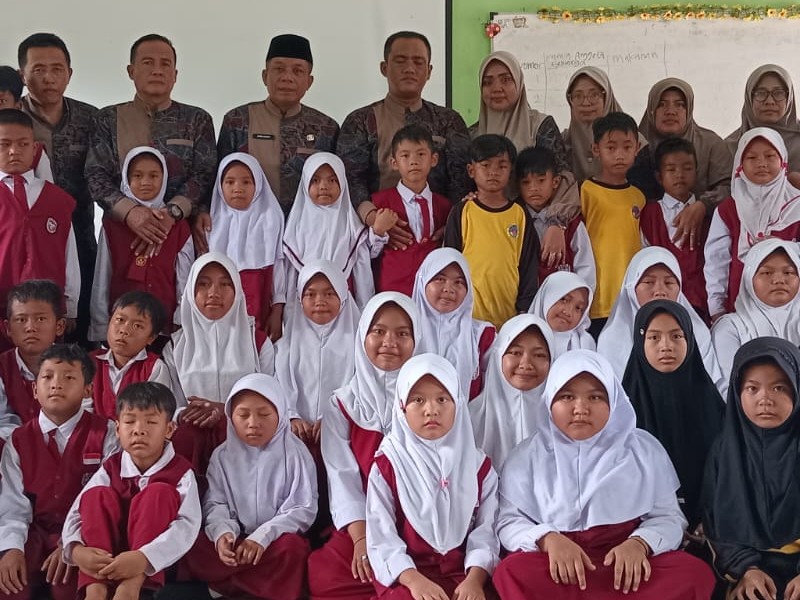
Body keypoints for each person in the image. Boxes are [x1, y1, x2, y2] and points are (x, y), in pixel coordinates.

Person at [492, 350, 716, 600]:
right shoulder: (525, 457)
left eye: (595, 397)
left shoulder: (643, 450)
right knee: (511, 571)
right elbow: (509, 522)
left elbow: (669, 517)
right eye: (567, 396)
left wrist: (640, 543)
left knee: (694, 573)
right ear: (549, 401)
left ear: (613, 400)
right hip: (562, 568)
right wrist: (548, 540)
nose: (581, 408)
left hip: (625, 567)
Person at [308, 292, 419, 600]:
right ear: (362, 337)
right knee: (325, 575)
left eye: (402, 334)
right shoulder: (342, 404)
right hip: (366, 521)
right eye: (378, 331)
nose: (389, 342)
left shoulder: (426, 402)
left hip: (415, 519)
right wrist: (360, 539)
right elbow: (341, 475)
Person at [366, 354, 499, 599]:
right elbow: (381, 537)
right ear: (402, 407)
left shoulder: (479, 467)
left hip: (465, 574)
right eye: (418, 400)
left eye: (442, 399)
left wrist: (475, 581)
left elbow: (485, 532)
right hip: (409, 576)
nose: (431, 410)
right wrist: (415, 582)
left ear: (458, 404)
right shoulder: (388, 464)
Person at [182, 374, 317, 600]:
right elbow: (215, 503)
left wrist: (262, 538)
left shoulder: (296, 454)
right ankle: (262, 586)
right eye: (243, 415)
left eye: (264, 414)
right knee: (193, 546)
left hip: (274, 539)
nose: (253, 423)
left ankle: (225, 586)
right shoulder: (222, 456)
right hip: (238, 538)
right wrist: (223, 533)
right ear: (230, 417)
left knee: (293, 550)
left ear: (280, 414)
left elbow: (302, 509)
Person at [62, 382, 201, 600]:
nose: (139, 430)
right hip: (108, 555)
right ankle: (95, 590)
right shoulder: (111, 467)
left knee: (158, 494)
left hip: (152, 562)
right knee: (96, 496)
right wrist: (77, 550)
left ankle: (130, 588)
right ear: (118, 429)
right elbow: (77, 511)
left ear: (169, 429)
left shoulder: (181, 472)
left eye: (151, 422)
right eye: (129, 421)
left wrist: (144, 558)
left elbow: (187, 527)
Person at [0, 344, 117, 600]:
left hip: (84, 534)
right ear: (35, 389)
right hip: (34, 532)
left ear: (87, 390)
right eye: (48, 376)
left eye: (69, 377)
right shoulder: (18, 440)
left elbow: (104, 499)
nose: (56, 384)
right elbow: (13, 505)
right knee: (9, 583)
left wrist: (72, 542)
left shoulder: (106, 433)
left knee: (68, 588)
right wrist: (11, 548)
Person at [85, 34, 216, 259]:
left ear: (175, 75)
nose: (157, 71)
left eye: (165, 64)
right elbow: (96, 176)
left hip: (179, 234)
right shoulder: (108, 119)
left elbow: (205, 174)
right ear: (131, 71)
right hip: (122, 233)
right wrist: (131, 213)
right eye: (148, 63)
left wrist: (171, 213)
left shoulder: (197, 120)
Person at [337, 31, 470, 238]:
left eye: (418, 62)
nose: (409, 69)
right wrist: (374, 220)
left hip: (438, 234)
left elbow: (461, 180)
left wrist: (451, 226)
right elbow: (351, 180)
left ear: (429, 71)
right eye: (400, 61)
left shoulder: (449, 121)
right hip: (375, 234)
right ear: (384, 68)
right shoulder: (361, 121)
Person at [703, 337, 800, 600]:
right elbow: (715, 522)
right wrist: (746, 568)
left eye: (779, 388)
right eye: (752, 388)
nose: (765, 399)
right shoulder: (725, 451)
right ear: (737, 393)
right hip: (750, 564)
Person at [163, 253, 274, 480]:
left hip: (246, 432)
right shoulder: (175, 346)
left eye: (225, 284)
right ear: (191, 291)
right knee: (185, 437)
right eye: (204, 284)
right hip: (193, 437)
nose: (214, 293)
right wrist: (186, 414)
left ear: (237, 291)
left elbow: (272, 397)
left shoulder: (258, 342)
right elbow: (169, 404)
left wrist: (226, 411)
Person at [18, 33, 99, 344]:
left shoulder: (92, 118)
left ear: (69, 73)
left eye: (57, 69)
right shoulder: (12, 122)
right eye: (38, 70)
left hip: (81, 238)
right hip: (26, 246)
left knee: (80, 332)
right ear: (22, 75)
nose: (48, 78)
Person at [622, 300, 724, 528]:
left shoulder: (713, 405)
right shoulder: (623, 412)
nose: (666, 346)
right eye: (654, 337)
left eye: (676, 336)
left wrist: (710, 523)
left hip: (713, 528)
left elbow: (729, 474)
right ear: (640, 342)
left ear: (690, 339)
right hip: (643, 531)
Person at [215, 33, 339, 216]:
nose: (287, 77)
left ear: (309, 81)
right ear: (265, 76)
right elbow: (218, 180)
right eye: (279, 69)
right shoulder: (237, 121)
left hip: (307, 227)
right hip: (249, 225)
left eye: (297, 71)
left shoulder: (326, 127)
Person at [90, 146, 193, 342]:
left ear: (164, 178)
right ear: (126, 180)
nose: (146, 182)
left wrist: (181, 320)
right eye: (137, 176)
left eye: (154, 176)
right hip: (122, 329)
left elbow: (185, 279)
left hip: (164, 327)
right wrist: (101, 324)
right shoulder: (112, 225)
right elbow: (102, 276)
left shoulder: (178, 227)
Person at [443, 134, 538, 328]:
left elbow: (528, 264)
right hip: (468, 317)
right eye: (485, 165)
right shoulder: (462, 211)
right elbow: (449, 262)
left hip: (509, 317)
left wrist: (524, 308)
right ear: (471, 170)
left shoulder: (519, 214)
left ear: (510, 171)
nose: (493, 172)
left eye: (502, 166)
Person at [705, 127, 800, 320]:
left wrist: (782, 246)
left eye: (770, 156)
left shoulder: (797, 205)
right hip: (740, 307)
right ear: (739, 165)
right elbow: (716, 261)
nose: (761, 164)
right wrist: (716, 307)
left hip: (792, 310)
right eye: (751, 158)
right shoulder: (728, 210)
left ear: (783, 161)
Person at [597, 246, 723, 387]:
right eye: (648, 282)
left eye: (669, 283)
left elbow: (707, 389)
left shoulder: (697, 333)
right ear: (631, 288)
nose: (660, 291)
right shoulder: (612, 340)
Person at [0, 109, 80, 328]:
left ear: (35, 148)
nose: (14, 151)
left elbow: (69, 254)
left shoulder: (57, 199)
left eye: (23, 144)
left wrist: (70, 306)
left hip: (47, 310)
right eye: (4, 144)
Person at [284, 152, 392, 309]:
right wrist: (289, 311)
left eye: (332, 180)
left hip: (345, 303)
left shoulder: (351, 224)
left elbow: (363, 263)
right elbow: (290, 274)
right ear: (305, 184)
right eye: (315, 180)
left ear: (342, 183)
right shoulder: (296, 227)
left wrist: (378, 232)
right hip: (304, 303)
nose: (324, 186)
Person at [275, 260, 361, 445]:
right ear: (300, 299)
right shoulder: (286, 345)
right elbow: (279, 383)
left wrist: (334, 415)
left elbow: (359, 385)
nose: (320, 301)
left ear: (343, 296)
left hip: (342, 432)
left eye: (329, 294)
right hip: (294, 434)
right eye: (310, 294)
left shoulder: (358, 345)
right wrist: (291, 416)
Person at [580, 112, 644, 334]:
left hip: (630, 295)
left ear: (637, 149)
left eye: (627, 147)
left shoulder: (639, 197)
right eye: (611, 147)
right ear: (596, 149)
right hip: (597, 296)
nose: (619, 155)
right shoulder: (585, 191)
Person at [208, 153, 285, 337]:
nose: (238, 189)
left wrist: (277, 310)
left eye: (246, 182)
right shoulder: (210, 222)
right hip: (216, 303)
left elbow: (278, 266)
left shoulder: (270, 220)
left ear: (258, 185)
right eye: (230, 182)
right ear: (220, 186)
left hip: (259, 296)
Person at [371, 125, 452, 296]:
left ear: (434, 159)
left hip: (432, 293)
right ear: (394, 163)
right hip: (392, 291)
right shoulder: (379, 202)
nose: (414, 161)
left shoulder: (445, 206)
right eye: (405, 156)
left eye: (421, 154)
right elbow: (367, 254)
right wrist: (378, 231)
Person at [712, 239, 800, 391]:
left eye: (789, 272)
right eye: (766, 272)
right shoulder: (730, 328)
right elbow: (728, 389)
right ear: (749, 278)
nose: (779, 280)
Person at [632, 78, 732, 210]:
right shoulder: (634, 147)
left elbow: (729, 187)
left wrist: (703, 205)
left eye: (679, 105)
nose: (670, 111)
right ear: (652, 109)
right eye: (661, 104)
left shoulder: (710, 144)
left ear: (689, 109)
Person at [470, 314, 556, 469]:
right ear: (498, 356)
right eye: (516, 353)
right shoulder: (470, 419)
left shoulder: (560, 421)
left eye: (539, 355)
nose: (526, 364)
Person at [640, 137, 710, 320]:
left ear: (697, 172)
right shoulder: (649, 213)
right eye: (671, 169)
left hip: (702, 301)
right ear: (659, 177)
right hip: (662, 301)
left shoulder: (708, 214)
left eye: (687, 168)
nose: (680, 175)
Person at [411, 248, 495, 399]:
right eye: (440, 279)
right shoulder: (404, 332)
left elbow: (493, 391)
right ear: (423, 281)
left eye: (459, 282)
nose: (449, 289)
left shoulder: (482, 336)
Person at [516, 146, 595, 287]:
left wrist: (581, 295)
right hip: (524, 297)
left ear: (555, 182)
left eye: (541, 180)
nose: (534, 188)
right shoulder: (514, 219)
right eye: (526, 182)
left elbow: (585, 265)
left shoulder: (571, 221)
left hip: (564, 295)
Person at [90, 291, 172, 420]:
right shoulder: (89, 363)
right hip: (92, 432)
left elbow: (152, 416)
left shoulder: (155, 368)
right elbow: (80, 410)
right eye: (120, 320)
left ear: (151, 337)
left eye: (137, 325)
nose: (124, 330)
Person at [0, 280, 66, 435]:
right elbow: (3, 422)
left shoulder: (77, 365)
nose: (30, 328)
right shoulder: (2, 367)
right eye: (21, 320)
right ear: (8, 328)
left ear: (59, 326)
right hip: (13, 444)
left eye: (40, 319)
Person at [562, 66, 646, 184]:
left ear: (607, 97)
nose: (586, 103)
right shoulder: (561, 142)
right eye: (578, 96)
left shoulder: (634, 142)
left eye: (594, 95)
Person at [725, 64, 800, 172]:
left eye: (778, 93)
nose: (770, 101)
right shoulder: (730, 148)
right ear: (749, 98)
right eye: (761, 93)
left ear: (789, 98)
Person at [528, 271, 595, 355]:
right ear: (546, 296)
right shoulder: (521, 338)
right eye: (564, 299)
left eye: (578, 308)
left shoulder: (585, 345)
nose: (568, 312)